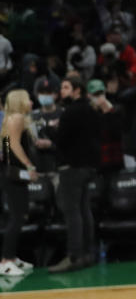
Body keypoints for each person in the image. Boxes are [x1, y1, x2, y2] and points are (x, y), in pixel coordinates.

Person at [47, 74, 101, 272]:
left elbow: (61, 141)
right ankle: (87, 254)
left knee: (72, 213)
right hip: (89, 167)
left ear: (77, 90)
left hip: (72, 167)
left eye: (66, 87)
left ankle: (73, 256)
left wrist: (52, 131)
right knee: (84, 210)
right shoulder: (91, 109)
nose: (62, 91)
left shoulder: (70, 112)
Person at [1, 88, 39, 276]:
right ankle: (6, 260)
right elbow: (14, 144)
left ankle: (12, 257)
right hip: (15, 174)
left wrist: (9, 162)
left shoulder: (9, 119)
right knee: (17, 216)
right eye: (28, 99)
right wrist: (28, 165)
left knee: (19, 215)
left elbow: (6, 144)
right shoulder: (17, 118)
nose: (31, 102)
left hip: (10, 173)